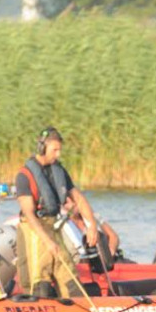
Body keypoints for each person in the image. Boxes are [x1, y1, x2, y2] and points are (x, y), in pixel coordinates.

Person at [15, 126, 99, 298]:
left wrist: (91, 226)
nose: (58, 154)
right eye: (55, 150)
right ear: (42, 148)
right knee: (40, 273)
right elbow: (29, 214)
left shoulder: (58, 171)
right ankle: (38, 307)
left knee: (67, 269)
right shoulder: (25, 175)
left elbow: (79, 199)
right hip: (34, 229)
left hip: (53, 226)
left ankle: (76, 307)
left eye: (60, 150)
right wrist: (47, 241)